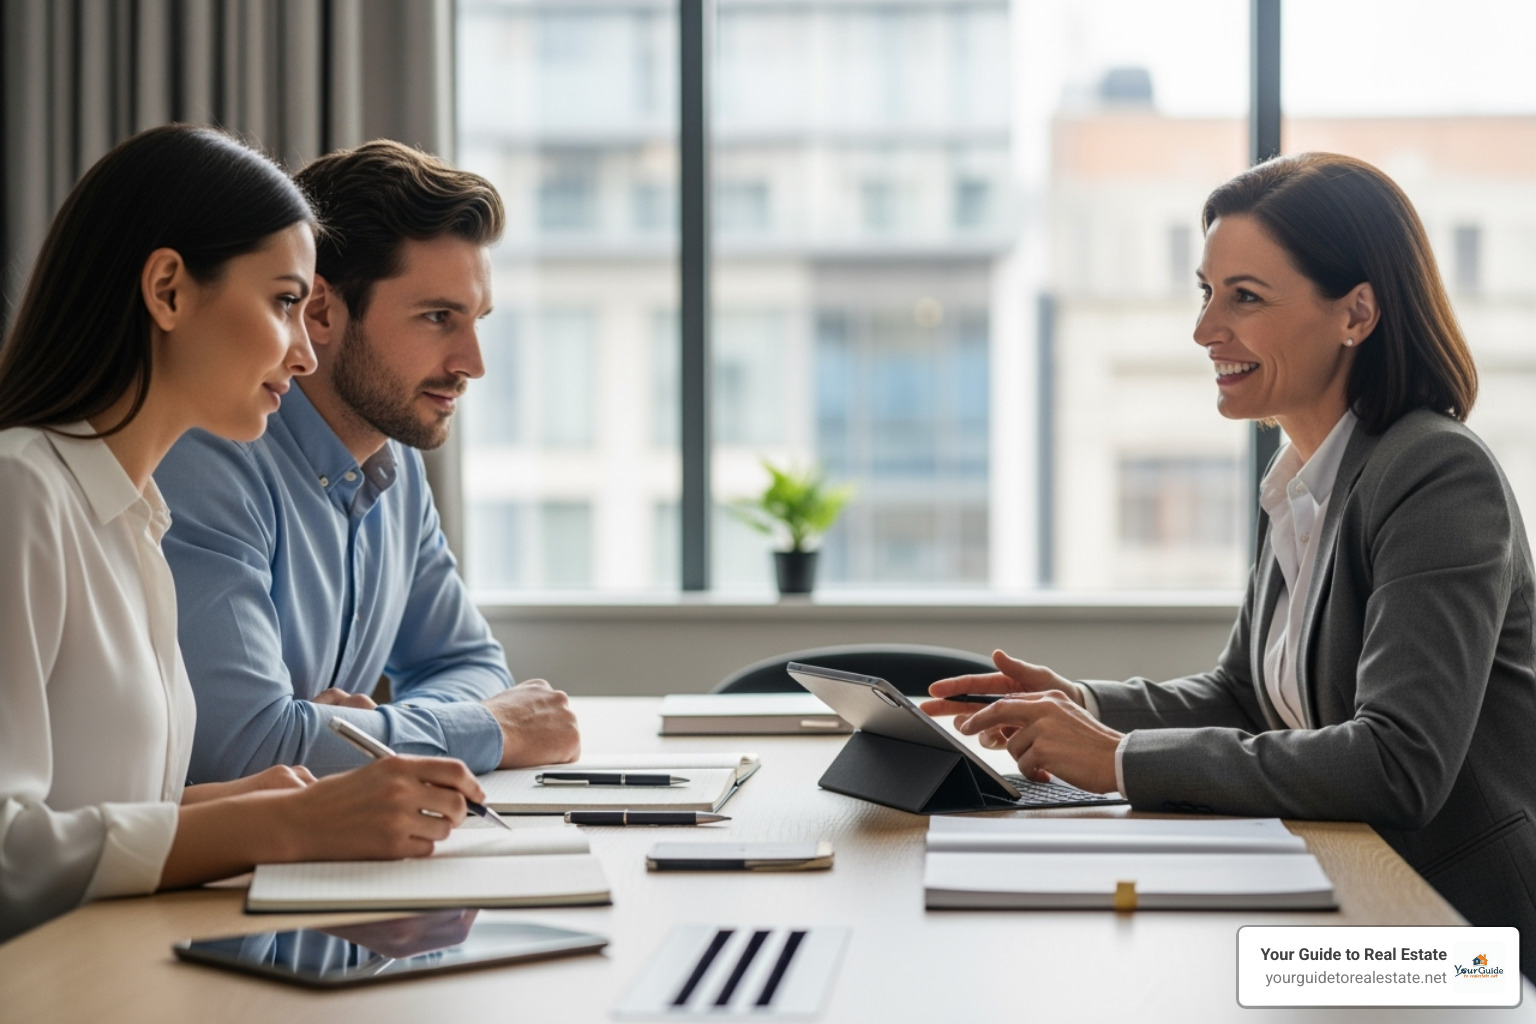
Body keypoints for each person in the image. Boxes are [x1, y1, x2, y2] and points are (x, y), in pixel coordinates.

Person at [923, 153, 1536, 975]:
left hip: (1448, 928)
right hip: (1342, 888)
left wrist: (1114, 759)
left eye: (1244, 297)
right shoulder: (1303, 479)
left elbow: (1398, 764)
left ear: (1356, 312)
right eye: (1205, 293)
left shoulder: (1434, 474)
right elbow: (1247, 694)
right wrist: (1075, 703)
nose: (1206, 329)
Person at [0, 125, 490, 942]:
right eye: (285, 303)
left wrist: (284, 796)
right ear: (168, 291)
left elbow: (96, 811)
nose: (304, 355)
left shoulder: (131, 514)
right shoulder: (22, 492)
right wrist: (283, 824)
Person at [154, 141, 580, 783]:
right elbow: (242, 748)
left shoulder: (395, 462)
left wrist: (360, 736)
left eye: (477, 320)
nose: (473, 363)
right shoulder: (209, 457)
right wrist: (492, 728)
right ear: (321, 311)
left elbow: (466, 660)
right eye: (439, 317)